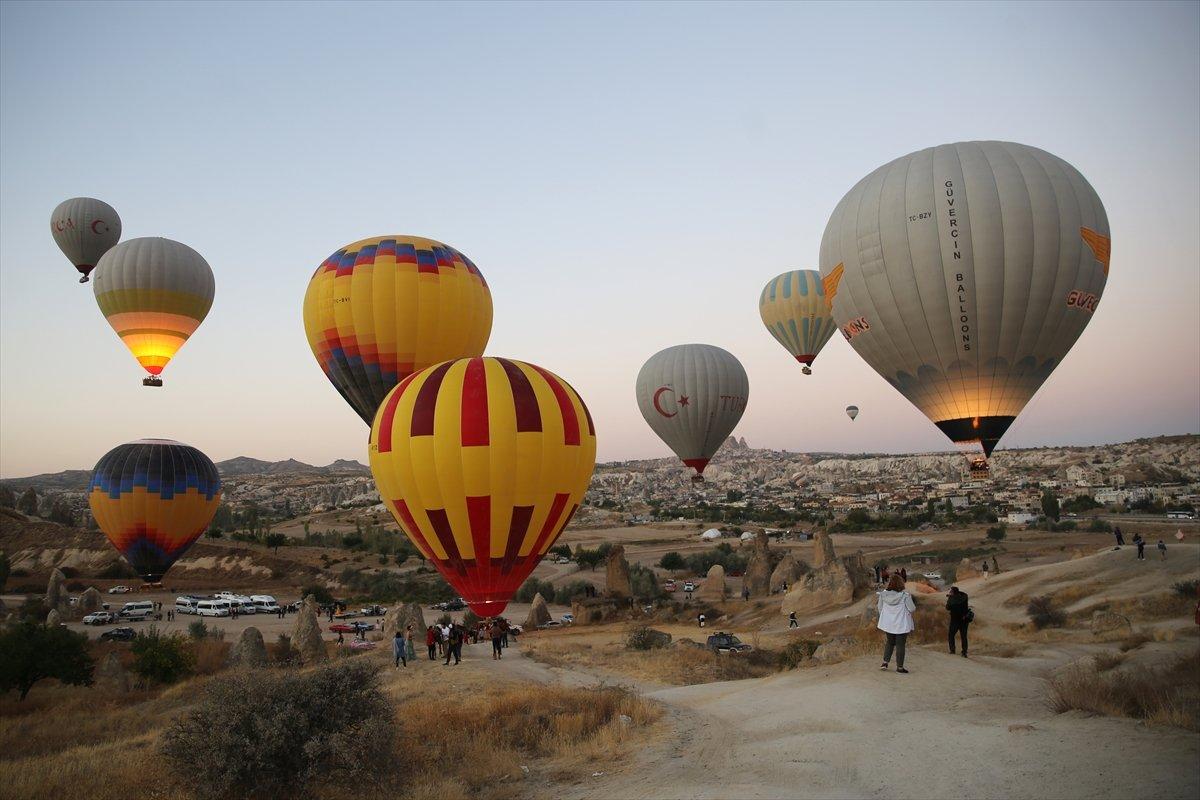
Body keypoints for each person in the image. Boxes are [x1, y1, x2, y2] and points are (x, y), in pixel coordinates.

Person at [877, 573, 915, 673]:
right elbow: (912, 608)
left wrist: (887, 617)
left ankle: (885, 663)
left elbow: (880, 608)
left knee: (890, 642)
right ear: (900, 583)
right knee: (900, 645)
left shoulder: (883, 594)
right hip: (902, 624)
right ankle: (900, 668)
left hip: (888, 624)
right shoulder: (905, 596)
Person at [946, 586, 969, 658]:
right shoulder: (964, 597)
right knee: (964, 636)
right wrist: (953, 595)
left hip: (955, 620)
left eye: (951, 591)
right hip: (964, 620)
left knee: (951, 635)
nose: (950, 592)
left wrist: (950, 597)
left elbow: (947, 607)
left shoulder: (952, 599)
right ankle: (964, 652)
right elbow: (962, 594)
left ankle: (952, 650)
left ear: (953, 592)